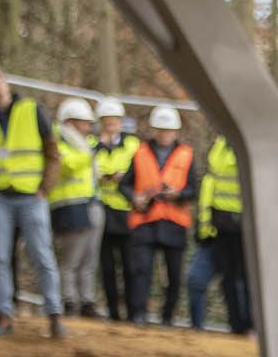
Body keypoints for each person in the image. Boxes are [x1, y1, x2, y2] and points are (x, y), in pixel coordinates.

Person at [0, 66, 65, 339]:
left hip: (32, 196)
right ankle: (3, 315)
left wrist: (45, 187)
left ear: (5, 82)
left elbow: (52, 151)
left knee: (42, 256)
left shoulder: (32, 110)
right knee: (0, 257)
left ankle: (54, 315)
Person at [126, 102, 194, 327]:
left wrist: (179, 194)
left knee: (174, 275)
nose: (165, 135)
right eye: (161, 130)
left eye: (169, 131)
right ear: (155, 130)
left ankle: (168, 317)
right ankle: (139, 314)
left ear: (176, 131)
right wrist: (134, 197)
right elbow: (125, 185)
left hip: (174, 222)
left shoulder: (186, 154)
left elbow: (194, 189)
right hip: (145, 221)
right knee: (141, 270)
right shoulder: (140, 152)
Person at [188, 132, 251, 336]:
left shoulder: (245, 145)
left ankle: (248, 325)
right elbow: (210, 188)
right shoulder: (220, 147)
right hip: (222, 229)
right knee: (229, 279)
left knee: (243, 279)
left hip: (244, 229)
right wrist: (204, 228)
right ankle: (237, 325)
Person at [49, 94, 103, 319]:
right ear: (70, 122)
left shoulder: (86, 145)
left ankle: (87, 301)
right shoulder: (57, 141)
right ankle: (68, 300)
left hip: (92, 203)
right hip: (69, 206)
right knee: (70, 259)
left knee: (90, 258)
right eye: (85, 123)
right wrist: (90, 154)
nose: (89, 128)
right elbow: (67, 165)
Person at [94, 97, 137, 322]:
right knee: (107, 267)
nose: (110, 124)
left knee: (130, 265)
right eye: (106, 121)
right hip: (102, 211)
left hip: (126, 212)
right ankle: (113, 313)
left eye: (114, 120)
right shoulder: (92, 144)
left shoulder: (133, 144)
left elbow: (137, 170)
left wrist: (123, 177)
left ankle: (132, 313)